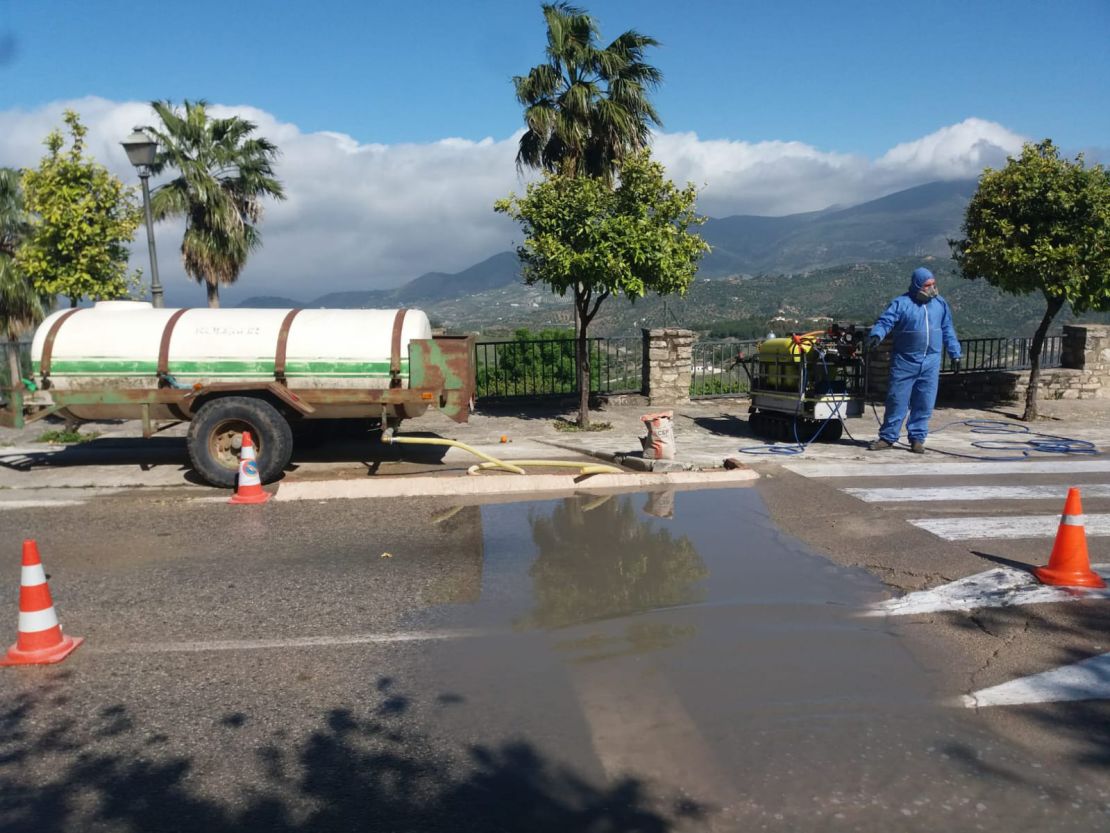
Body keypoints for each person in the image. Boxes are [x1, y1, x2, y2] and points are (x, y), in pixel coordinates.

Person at [866, 267, 961, 453]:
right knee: (897, 400)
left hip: (931, 362)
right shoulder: (902, 303)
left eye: (933, 284)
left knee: (924, 401)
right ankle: (887, 437)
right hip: (905, 361)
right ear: (917, 285)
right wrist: (877, 335)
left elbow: (948, 329)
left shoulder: (940, 304)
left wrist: (955, 353)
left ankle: (917, 438)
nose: (932, 288)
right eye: (927, 285)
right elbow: (886, 321)